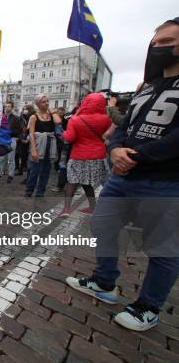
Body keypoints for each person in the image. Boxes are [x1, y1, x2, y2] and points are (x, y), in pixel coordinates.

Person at [66, 17, 179, 332]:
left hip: (166, 180)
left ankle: (148, 307)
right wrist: (115, 149)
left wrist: (138, 156)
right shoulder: (147, 87)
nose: (158, 48)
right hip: (123, 176)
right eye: (155, 43)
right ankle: (104, 282)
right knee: (102, 224)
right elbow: (124, 126)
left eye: (167, 42)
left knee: (164, 247)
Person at [59, 93, 111, 217]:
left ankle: (66, 209)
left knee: (72, 181)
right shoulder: (107, 119)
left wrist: (64, 133)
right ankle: (93, 207)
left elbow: (69, 138)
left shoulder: (75, 119)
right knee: (86, 182)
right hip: (98, 155)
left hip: (79, 155)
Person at [25, 94, 61, 197]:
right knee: (34, 170)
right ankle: (29, 191)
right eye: (44, 102)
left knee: (46, 170)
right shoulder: (34, 117)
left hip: (50, 144)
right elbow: (31, 134)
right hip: (38, 144)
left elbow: (58, 121)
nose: (47, 103)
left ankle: (40, 192)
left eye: (47, 101)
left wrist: (52, 112)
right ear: (38, 104)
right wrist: (33, 149)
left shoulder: (51, 115)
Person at [0, 101, 21, 183]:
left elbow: (19, 129)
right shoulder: (0, 117)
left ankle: (10, 175)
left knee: (11, 158)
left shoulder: (16, 118)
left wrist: (17, 137)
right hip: (2, 139)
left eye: (9, 106)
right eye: (6, 106)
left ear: (12, 108)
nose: (7, 107)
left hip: (11, 139)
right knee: (1, 158)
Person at [16, 104, 34, 177]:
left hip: (28, 139)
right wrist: (20, 138)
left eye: (26, 109)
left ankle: (26, 172)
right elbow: (19, 128)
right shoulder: (21, 118)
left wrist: (27, 139)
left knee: (26, 157)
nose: (25, 111)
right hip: (21, 138)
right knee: (19, 154)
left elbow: (31, 130)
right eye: (24, 109)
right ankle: (20, 169)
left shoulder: (32, 117)